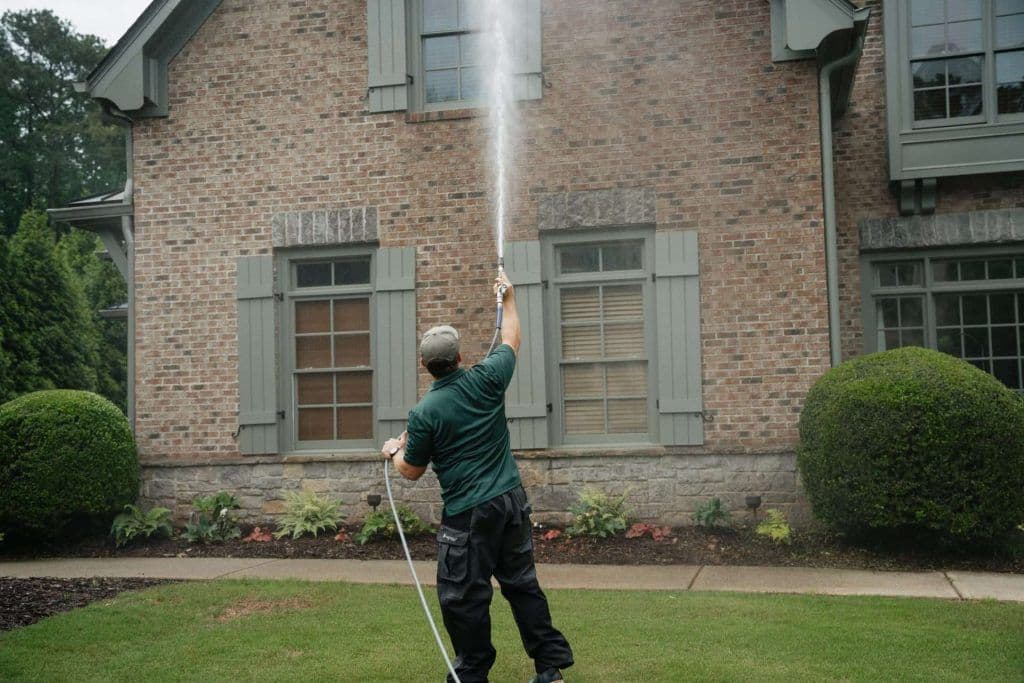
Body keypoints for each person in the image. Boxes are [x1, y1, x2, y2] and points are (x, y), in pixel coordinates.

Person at [381, 270, 573, 683]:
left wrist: (395, 451)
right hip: (511, 501)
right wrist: (508, 299)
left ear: (425, 366)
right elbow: (513, 338)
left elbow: (411, 472)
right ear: (460, 357)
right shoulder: (488, 377)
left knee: (463, 599)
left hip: (468, 518)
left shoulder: (424, 413)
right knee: (522, 584)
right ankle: (550, 669)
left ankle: (471, 674)